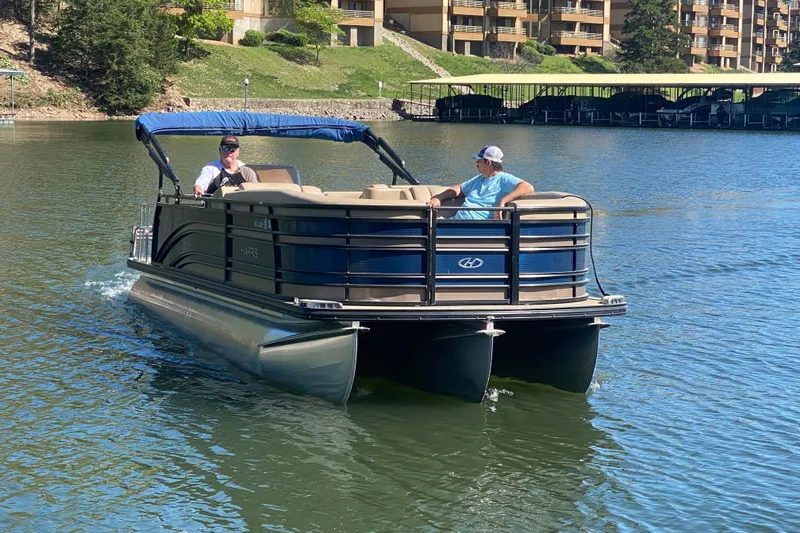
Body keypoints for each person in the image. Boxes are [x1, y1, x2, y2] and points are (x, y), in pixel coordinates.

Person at [426, 145, 534, 220]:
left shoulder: (504, 179)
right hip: (456, 222)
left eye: (479, 161)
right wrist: (439, 197)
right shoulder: (479, 178)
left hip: (478, 228)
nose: (477, 163)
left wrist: (502, 202)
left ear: (488, 162)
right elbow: (459, 188)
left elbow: (527, 187)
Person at [193, 135, 259, 198]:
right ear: (220, 150)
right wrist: (198, 190)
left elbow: (256, 191)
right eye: (225, 148)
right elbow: (201, 183)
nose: (228, 152)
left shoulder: (247, 171)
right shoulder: (210, 168)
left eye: (232, 149)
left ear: (238, 152)